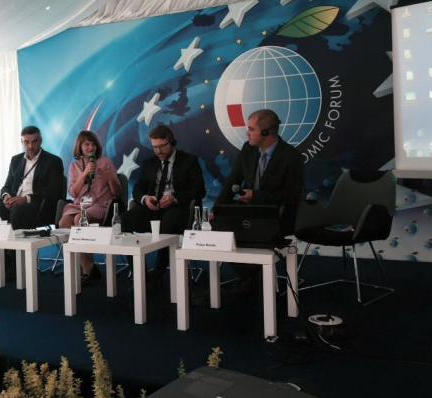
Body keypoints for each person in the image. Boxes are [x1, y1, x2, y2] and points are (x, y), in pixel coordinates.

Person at [0, 125, 64, 274]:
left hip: (38, 206)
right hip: (13, 203)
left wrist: (26, 199)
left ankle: (15, 264)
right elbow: (6, 186)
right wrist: (6, 197)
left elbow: (54, 192)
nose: (30, 146)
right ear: (22, 142)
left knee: (18, 211)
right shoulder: (16, 160)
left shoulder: (53, 161)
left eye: (34, 141)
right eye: (26, 142)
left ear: (40, 141)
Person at [121, 125, 206, 274]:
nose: (158, 151)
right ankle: (137, 271)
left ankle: (158, 272)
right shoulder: (149, 163)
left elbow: (199, 190)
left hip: (179, 209)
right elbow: (137, 189)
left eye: (162, 146)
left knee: (169, 220)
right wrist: (145, 199)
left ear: (172, 142)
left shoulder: (189, 161)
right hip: (153, 209)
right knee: (125, 219)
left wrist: (175, 198)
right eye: (155, 147)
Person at [216, 109, 303, 235]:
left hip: (275, 218)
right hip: (246, 216)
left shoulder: (291, 157)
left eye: (251, 129)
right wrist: (216, 210)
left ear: (265, 132)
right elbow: (232, 181)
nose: (247, 133)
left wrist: (255, 196)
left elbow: (291, 196)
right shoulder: (248, 149)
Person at [58, 130, 120, 284]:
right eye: (86, 144)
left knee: (80, 220)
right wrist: (84, 174)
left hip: (100, 204)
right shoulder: (75, 165)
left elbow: (117, 192)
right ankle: (84, 265)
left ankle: (87, 269)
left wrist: (110, 178)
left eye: (93, 144)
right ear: (80, 147)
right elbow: (73, 192)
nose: (90, 148)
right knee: (64, 223)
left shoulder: (105, 162)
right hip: (80, 204)